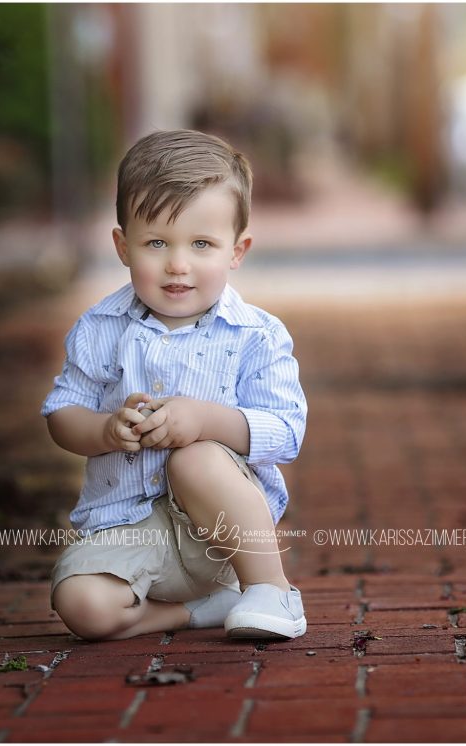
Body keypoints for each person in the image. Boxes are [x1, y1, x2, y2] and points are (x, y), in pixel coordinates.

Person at [41, 129, 307, 641]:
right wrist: (105, 430)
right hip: (129, 529)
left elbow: (287, 431)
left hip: (224, 535)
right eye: (157, 242)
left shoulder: (257, 335)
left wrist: (206, 421)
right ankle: (200, 611)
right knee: (81, 604)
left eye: (202, 244)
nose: (178, 265)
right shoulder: (100, 330)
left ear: (238, 249)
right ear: (123, 246)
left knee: (195, 457)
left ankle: (272, 591)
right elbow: (61, 414)